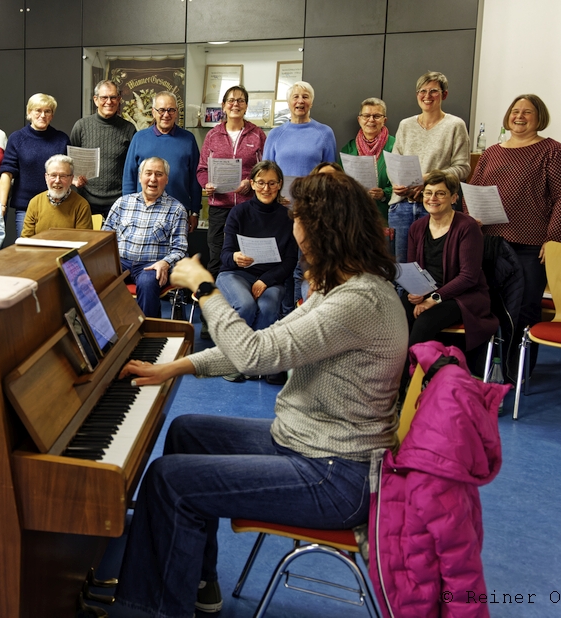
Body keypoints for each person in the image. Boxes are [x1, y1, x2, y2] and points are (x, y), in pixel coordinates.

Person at [112, 172, 408, 617]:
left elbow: (253, 354)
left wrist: (205, 288)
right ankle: (196, 581)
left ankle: (153, 609)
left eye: (299, 219)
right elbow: (267, 342)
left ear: (322, 228)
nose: (294, 228)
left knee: (169, 481)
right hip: (311, 446)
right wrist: (174, 367)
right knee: (187, 433)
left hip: (335, 475)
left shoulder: (358, 301)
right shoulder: (344, 287)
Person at [468, 94, 561, 375]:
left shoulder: (553, 151)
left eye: (527, 112)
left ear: (539, 118)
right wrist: (471, 220)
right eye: (515, 111)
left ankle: (518, 373)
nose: (519, 116)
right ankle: (485, 371)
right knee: (489, 306)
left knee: (525, 308)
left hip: (531, 245)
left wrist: (554, 239)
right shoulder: (491, 153)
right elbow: (474, 190)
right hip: (491, 243)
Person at [406, 171, 498, 370]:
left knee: (424, 322)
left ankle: (408, 381)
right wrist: (415, 292)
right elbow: (414, 269)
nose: (432, 198)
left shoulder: (467, 226)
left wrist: (433, 299)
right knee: (394, 314)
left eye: (440, 193)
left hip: (462, 297)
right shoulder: (416, 227)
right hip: (428, 294)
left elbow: (468, 277)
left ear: (454, 198)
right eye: (428, 193)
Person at [388, 72, 471, 261]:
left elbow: (463, 168)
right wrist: (397, 184)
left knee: (433, 264)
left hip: (436, 206)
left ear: (444, 94)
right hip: (402, 206)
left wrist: (427, 179)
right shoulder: (405, 125)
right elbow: (395, 163)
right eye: (422, 91)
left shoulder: (455, 125)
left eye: (433, 91)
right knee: (401, 266)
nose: (427, 96)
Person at [217, 160, 297, 333]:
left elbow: (290, 261)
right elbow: (225, 255)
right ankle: (235, 347)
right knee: (246, 306)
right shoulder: (238, 212)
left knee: (268, 308)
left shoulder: (288, 217)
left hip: (271, 278)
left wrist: (265, 280)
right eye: (261, 182)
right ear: (252, 184)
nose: (266, 189)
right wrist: (235, 257)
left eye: (272, 183)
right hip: (235, 274)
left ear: (279, 185)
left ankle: (258, 349)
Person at [103, 157, 188, 318]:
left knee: (147, 283)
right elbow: (105, 236)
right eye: (148, 173)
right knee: (95, 276)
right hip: (120, 262)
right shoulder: (122, 203)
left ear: (166, 179)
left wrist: (165, 263)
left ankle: (148, 330)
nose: (153, 179)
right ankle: (103, 329)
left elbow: (180, 248)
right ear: (140, 177)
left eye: (159, 174)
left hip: (152, 265)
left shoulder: (177, 209)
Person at [197, 85, 266, 278]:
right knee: (217, 255)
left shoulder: (257, 134)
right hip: (219, 207)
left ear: (246, 106)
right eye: (231, 100)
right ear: (224, 106)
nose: (236, 104)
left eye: (240, 100)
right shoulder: (212, 135)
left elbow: (266, 169)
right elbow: (202, 169)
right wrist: (207, 184)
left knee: (247, 256)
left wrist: (250, 182)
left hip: (248, 206)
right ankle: (215, 295)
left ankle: (243, 291)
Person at [122, 92, 202, 233]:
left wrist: (195, 212)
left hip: (178, 213)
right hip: (143, 213)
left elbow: (195, 179)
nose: (166, 114)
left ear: (176, 112)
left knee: (178, 247)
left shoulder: (188, 139)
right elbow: (129, 177)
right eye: (161, 110)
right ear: (153, 112)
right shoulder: (139, 138)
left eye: (171, 110)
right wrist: (128, 208)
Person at [0, 93, 70, 233]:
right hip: (26, 208)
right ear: (29, 112)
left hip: (58, 207)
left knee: (55, 246)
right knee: (26, 247)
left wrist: (76, 180)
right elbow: (7, 173)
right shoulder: (17, 138)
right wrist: (2, 205)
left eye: (47, 111)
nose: (43, 115)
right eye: (38, 110)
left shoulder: (62, 139)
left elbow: (67, 173)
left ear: (52, 115)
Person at [69, 80, 137, 216]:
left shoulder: (129, 129)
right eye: (104, 97)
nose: (109, 102)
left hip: (118, 202)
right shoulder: (81, 126)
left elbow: (133, 167)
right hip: (86, 201)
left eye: (113, 97)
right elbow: (70, 162)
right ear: (95, 100)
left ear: (119, 99)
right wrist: (74, 179)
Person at [261, 81, 337, 178]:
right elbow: (266, 173)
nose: (300, 101)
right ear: (288, 103)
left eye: (305, 97)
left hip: (313, 188)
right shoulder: (274, 134)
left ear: (311, 103)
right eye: (295, 97)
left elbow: (331, 175)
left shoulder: (325, 133)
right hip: (282, 188)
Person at [338, 97, 395, 222]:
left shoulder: (395, 146)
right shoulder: (349, 148)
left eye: (377, 116)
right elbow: (339, 181)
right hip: (354, 215)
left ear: (384, 120)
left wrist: (384, 194)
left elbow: (404, 183)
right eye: (366, 116)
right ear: (359, 120)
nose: (371, 120)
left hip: (385, 215)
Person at [20, 154, 93, 236]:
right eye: (53, 175)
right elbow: (26, 239)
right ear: (46, 177)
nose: (57, 180)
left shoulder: (81, 205)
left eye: (63, 176)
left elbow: (83, 241)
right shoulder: (35, 203)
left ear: (71, 179)